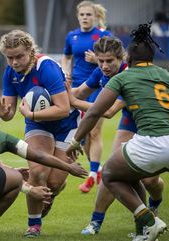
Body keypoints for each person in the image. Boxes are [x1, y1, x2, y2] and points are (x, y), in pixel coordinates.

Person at [66, 23, 169, 241]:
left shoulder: (125, 76)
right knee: (126, 173)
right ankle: (121, 226)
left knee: (113, 174)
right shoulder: (165, 74)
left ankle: (150, 220)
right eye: (100, 61)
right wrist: (62, 91)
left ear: (126, 59)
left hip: (152, 137)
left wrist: (76, 139)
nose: (104, 65)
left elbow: (102, 112)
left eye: (109, 61)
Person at [0, 29, 81, 237]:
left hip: (66, 125)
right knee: (38, 172)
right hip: (38, 125)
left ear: (30, 51)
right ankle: (34, 226)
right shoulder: (10, 73)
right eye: (9, 57)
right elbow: (11, 112)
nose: (14, 62)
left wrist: (31, 114)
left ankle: (54, 190)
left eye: (19, 56)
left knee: (54, 183)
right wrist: (5, 114)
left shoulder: (46, 67)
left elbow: (63, 108)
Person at [61, 1, 112, 193]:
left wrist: (97, 60)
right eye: (82, 14)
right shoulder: (72, 36)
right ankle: (97, 170)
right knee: (85, 135)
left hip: (99, 86)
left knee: (94, 131)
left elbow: (118, 60)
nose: (85, 17)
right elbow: (66, 56)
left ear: (95, 16)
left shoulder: (103, 35)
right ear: (77, 16)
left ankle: (91, 178)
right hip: (77, 88)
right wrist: (65, 70)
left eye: (88, 14)